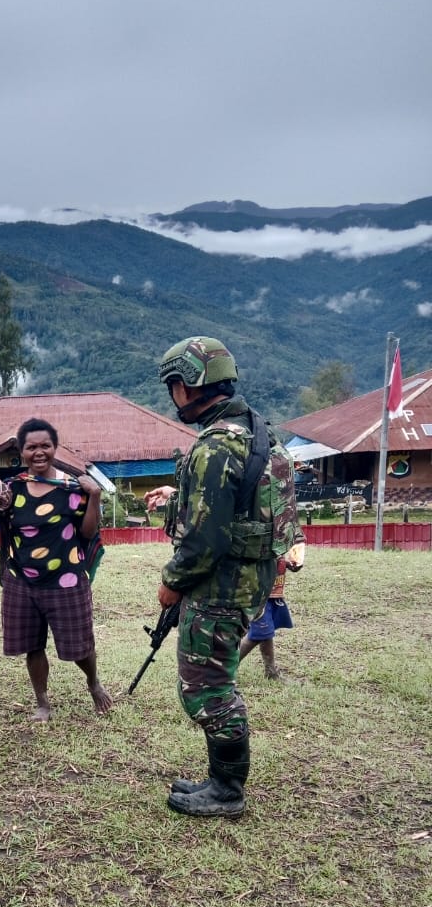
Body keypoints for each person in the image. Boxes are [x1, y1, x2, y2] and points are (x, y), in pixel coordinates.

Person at [145, 336, 296, 819]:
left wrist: (172, 580)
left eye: (174, 385)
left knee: (206, 686)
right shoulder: (258, 432)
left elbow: (204, 540)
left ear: (188, 385)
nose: (173, 397)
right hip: (248, 581)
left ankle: (228, 789)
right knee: (216, 677)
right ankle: (220, 779)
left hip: (219, 586)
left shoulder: (215, 445)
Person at [0, 418, 112, 722]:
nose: (39, 452)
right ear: (21, 451)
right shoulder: (11, 491)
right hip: (22, 581)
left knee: (79, 646)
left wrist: (96, 497)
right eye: (31, 447)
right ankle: (42, 703)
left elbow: (87, 534)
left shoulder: (72, 488)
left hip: (67, 581)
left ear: (54, 448)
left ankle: (93, 682)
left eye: (45, 446)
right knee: (33, 646)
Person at [240, 536, 306, 678]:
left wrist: (289, 563)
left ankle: (271, 672)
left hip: (271, 595)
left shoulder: (276, 537)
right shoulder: (259, 535)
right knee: (260, 633)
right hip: (258, 596)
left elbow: (276, 558)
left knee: (266, 632)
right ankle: (222, 671)